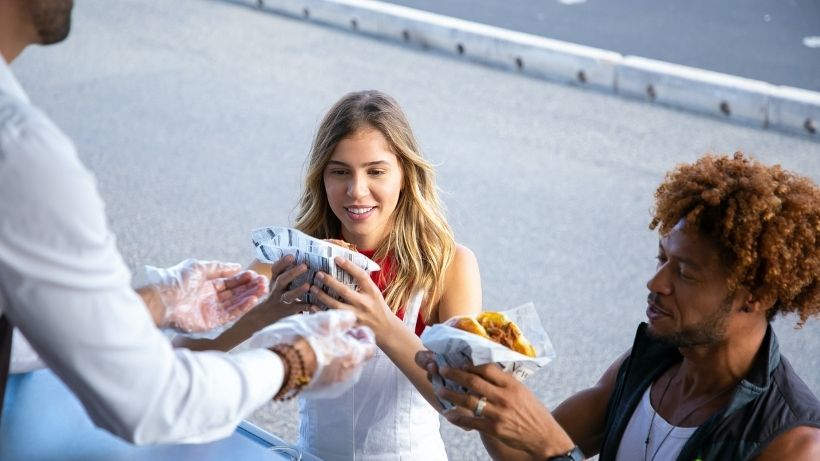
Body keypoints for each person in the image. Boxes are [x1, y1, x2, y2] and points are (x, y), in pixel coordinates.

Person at [0, 0, 374, 446]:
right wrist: (296, 359)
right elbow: (150, 401)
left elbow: (34, 325)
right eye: (339, 171)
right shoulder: (20, 151)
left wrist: (155, 302)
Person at [417, 153, 820, 460]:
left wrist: (555, 449)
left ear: (758, 295)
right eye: (662, 259)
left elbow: (549, 448)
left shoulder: (792, 442)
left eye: (686, 273)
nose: (655, 283)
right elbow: (527, 453)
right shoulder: (648, 363)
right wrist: (490, 402)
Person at [187, 90, 483, 460]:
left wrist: (383, 325)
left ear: (405, 175)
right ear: (321, 178)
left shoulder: (449, 266)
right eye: (340, 171)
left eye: (376, 171)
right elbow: (184, 356)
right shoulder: (287, 261)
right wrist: (267, 312)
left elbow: (467, 408)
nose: (356, 191)